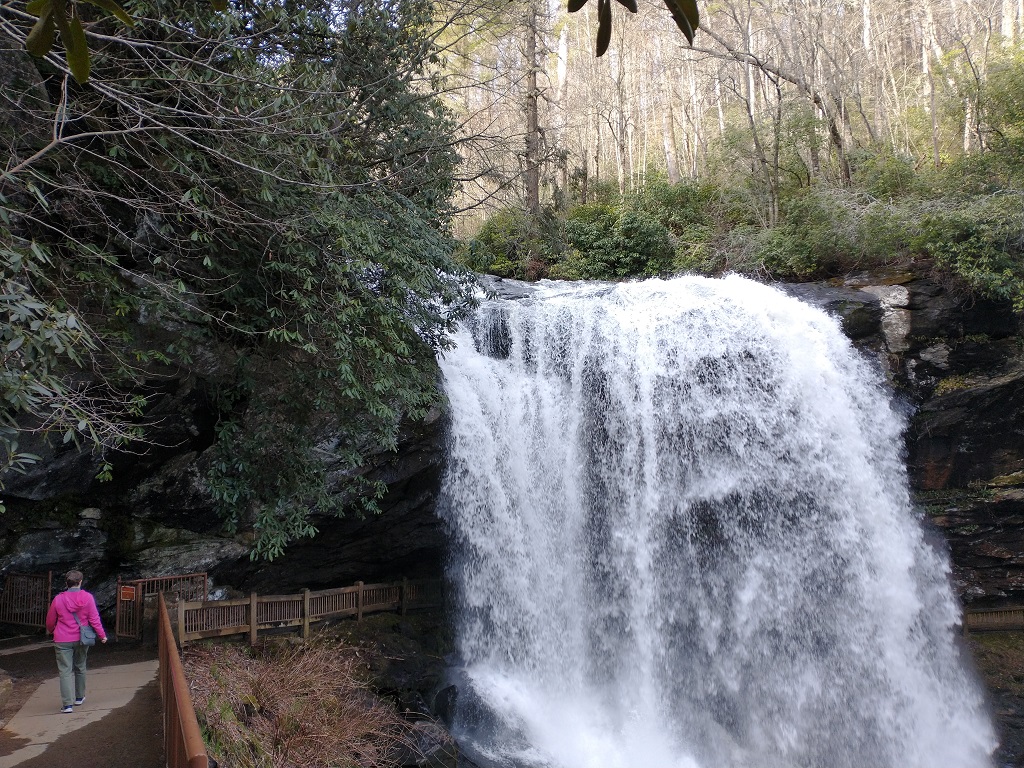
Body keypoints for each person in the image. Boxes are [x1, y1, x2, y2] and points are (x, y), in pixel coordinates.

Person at [45, 570, 108, 713]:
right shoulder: (88, 597)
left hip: (62, 639)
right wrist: (102, 635)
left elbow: (50, 621)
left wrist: (53, 630)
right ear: (80, 582)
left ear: (66, 583)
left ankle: (67, 705)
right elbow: (94, 619)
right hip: (82, 639)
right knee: (80, 666)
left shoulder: (58, 599)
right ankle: (79, 697)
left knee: (65, 671)